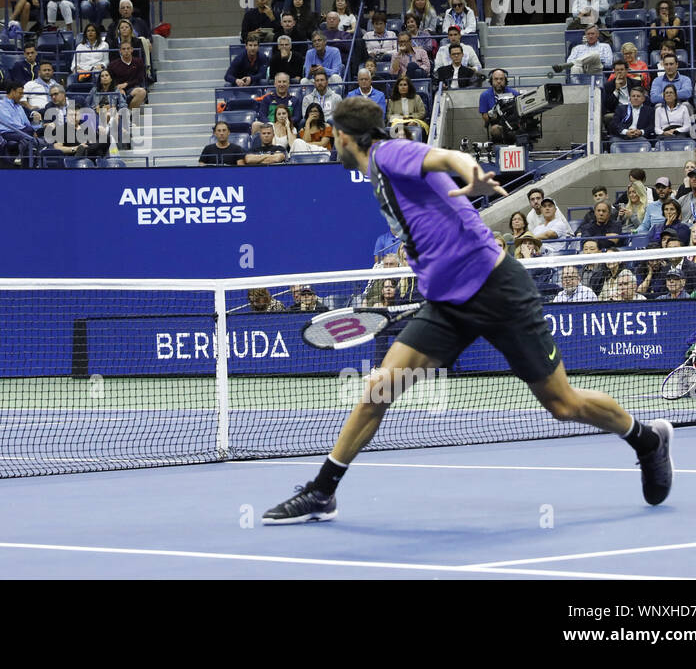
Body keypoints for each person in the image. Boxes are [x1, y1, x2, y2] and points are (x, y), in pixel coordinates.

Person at [261, 98, 674, 524]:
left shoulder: (390, 154)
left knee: (562, 403)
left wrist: (467, 168)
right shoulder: (379, 173)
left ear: (345, 137)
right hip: (448, 304)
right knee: (378, 388)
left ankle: (647, 442)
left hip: (498, 292)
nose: (333, 144)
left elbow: (442, 156)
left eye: (334, 136)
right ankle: (322, 491)